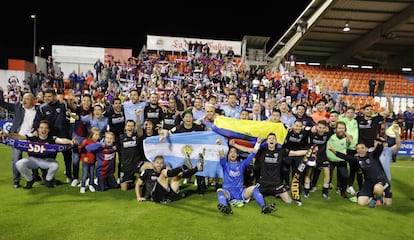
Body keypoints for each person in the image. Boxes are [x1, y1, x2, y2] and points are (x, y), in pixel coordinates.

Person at [328, 126, 401, 207]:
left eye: (362, 148)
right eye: (358, 148)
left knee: (386, 201)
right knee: (361, 202)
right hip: (368, 183)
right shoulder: (356, 158)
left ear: (367, 149)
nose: (360, 150)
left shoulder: (373, 155)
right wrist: (334, 151)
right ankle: (375, 197)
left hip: (381, 180)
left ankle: (376, 198)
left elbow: (378, 149)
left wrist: (380, 142)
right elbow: (345, 157)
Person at [1, 120, 75, 189]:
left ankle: (48, 180)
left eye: (46, 128)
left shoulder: (52, 138)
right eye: (41, 128)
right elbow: (19, 136)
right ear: (38, 129)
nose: (44, 130)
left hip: (47, 161)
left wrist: (70, 142)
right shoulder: (33, 137)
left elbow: (61, 140)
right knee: (19, 164)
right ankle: (30, 180)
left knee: (55, 165)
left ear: (49, 130)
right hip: (34, 160)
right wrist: (7, 134)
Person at [215, 136, 276, 215]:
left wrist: (258, 143)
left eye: (235, 152)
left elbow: (253, 154)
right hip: (228, 192)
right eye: (231, 152)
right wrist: (219, 145)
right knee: (219, 190)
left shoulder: (242, 164)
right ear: (228, 155)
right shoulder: (225, 164)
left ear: (237, 155)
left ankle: (264, 207)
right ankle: (225, 207)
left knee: (254, 188)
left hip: (241, 193)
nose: (233, 153)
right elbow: (222, 155)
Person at [0, 87, 40, 188]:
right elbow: (3, 104)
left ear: (33, 101)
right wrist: (0, 92)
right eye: (23, 99)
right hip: (17, 138)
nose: (24, 101)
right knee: (16, 158)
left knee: (34, 158)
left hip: (30, 138)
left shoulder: (39, 110)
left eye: (27, 99)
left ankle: (35, 176)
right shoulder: (18, 106)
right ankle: (16, 181)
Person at [135, 153, 204, 203]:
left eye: (161, 163)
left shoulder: (164, 170)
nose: (159, 165)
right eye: (157, 163)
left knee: (176, 177)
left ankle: (197, 168)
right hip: (154, 196)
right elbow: (138, 184)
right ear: (153, 163)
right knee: (164, 173)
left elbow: (177, 175)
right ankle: (185, 166)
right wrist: (138, 197)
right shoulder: (147, 172)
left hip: (167, 197)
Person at [78, 127, 101, 193]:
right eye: (96, 134)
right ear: (91, 134)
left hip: (93, 161)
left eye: (98, 135)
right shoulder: (86, 141)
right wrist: (84, 157)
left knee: (92, 174)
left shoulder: (98, 143)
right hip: (86, 161)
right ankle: (83, 186)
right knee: (85, 174)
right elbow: (81, 149)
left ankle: (91, 185)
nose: (97, 136)